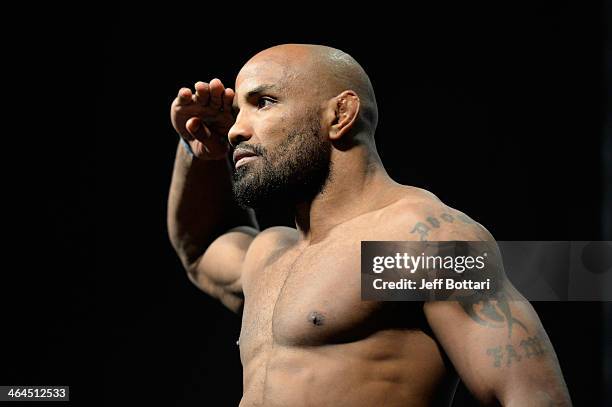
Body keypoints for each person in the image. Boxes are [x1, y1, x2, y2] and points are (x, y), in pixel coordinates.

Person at [167, 44, 571, 406]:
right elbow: (202, 246)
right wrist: (200, 153)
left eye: (265, 102)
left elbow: (531, 397)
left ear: (340, 114)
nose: (237, 129)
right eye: (238, 112)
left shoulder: (412, 240)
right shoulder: (273, 254)